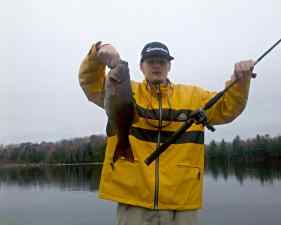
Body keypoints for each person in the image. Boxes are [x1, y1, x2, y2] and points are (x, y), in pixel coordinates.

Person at [79, 41, 255, 225]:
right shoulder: (122, 88)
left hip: (182, 203)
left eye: (162, 62)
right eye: (151, 61)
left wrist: (240, 81)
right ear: (141, 66)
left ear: (169, 66)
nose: (156, 66)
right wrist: (97, 54)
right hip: (134, 201)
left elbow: (227, 108)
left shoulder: (193, 96)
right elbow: (90, 84)